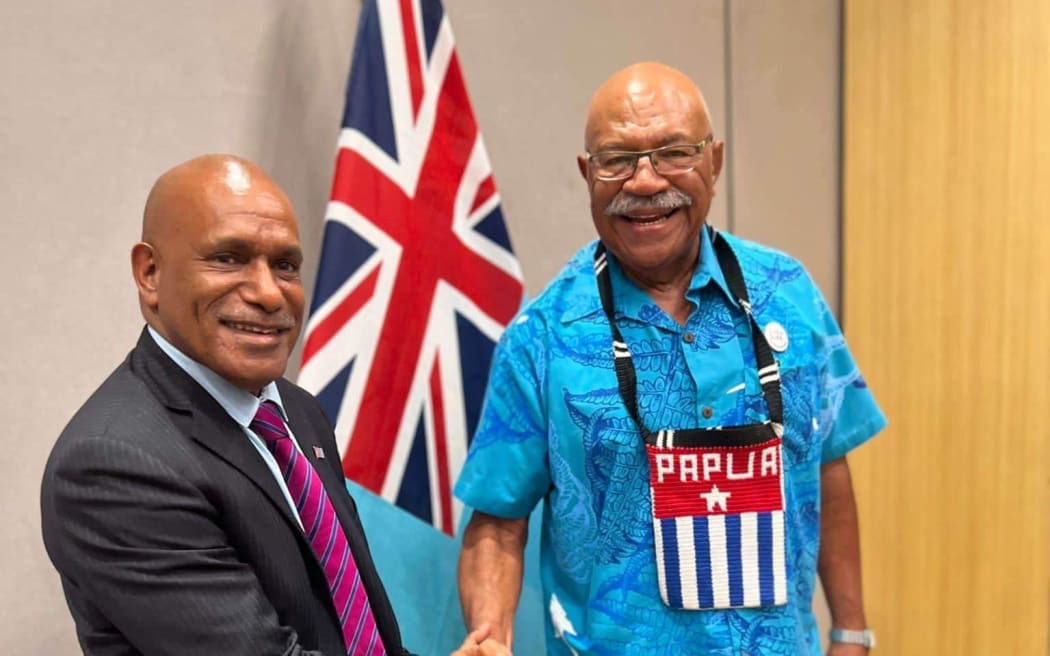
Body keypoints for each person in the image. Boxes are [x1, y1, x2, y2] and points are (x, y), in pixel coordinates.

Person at [454, 63, 886, 655]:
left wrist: (851, 633)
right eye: (616, 159)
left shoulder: (789, 292)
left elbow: (828, 466)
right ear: (587, 174)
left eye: (673, 152)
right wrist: (488, 634)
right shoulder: (542, 336)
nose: (646, 181)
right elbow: (497, 522)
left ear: (715, 160)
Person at [40, 154, 488, 656]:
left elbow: (349, 630)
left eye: (285, 265)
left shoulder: (297, 413)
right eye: (227, 258)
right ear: (149, 273)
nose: (269, 293)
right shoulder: (114, 465)